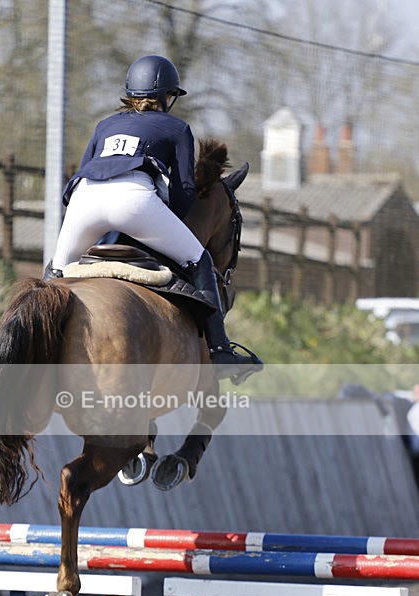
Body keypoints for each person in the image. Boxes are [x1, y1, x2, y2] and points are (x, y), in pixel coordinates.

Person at [44, 54, 261, 380]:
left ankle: (38, 351)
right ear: (167, 97)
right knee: (200, 259)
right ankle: (222, 353)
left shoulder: (104, 125)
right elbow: (186, 189)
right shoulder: (177, 127)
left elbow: (82, 171)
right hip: (134, 202)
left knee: (54, 276)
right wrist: (168, 221)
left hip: (83, 200)